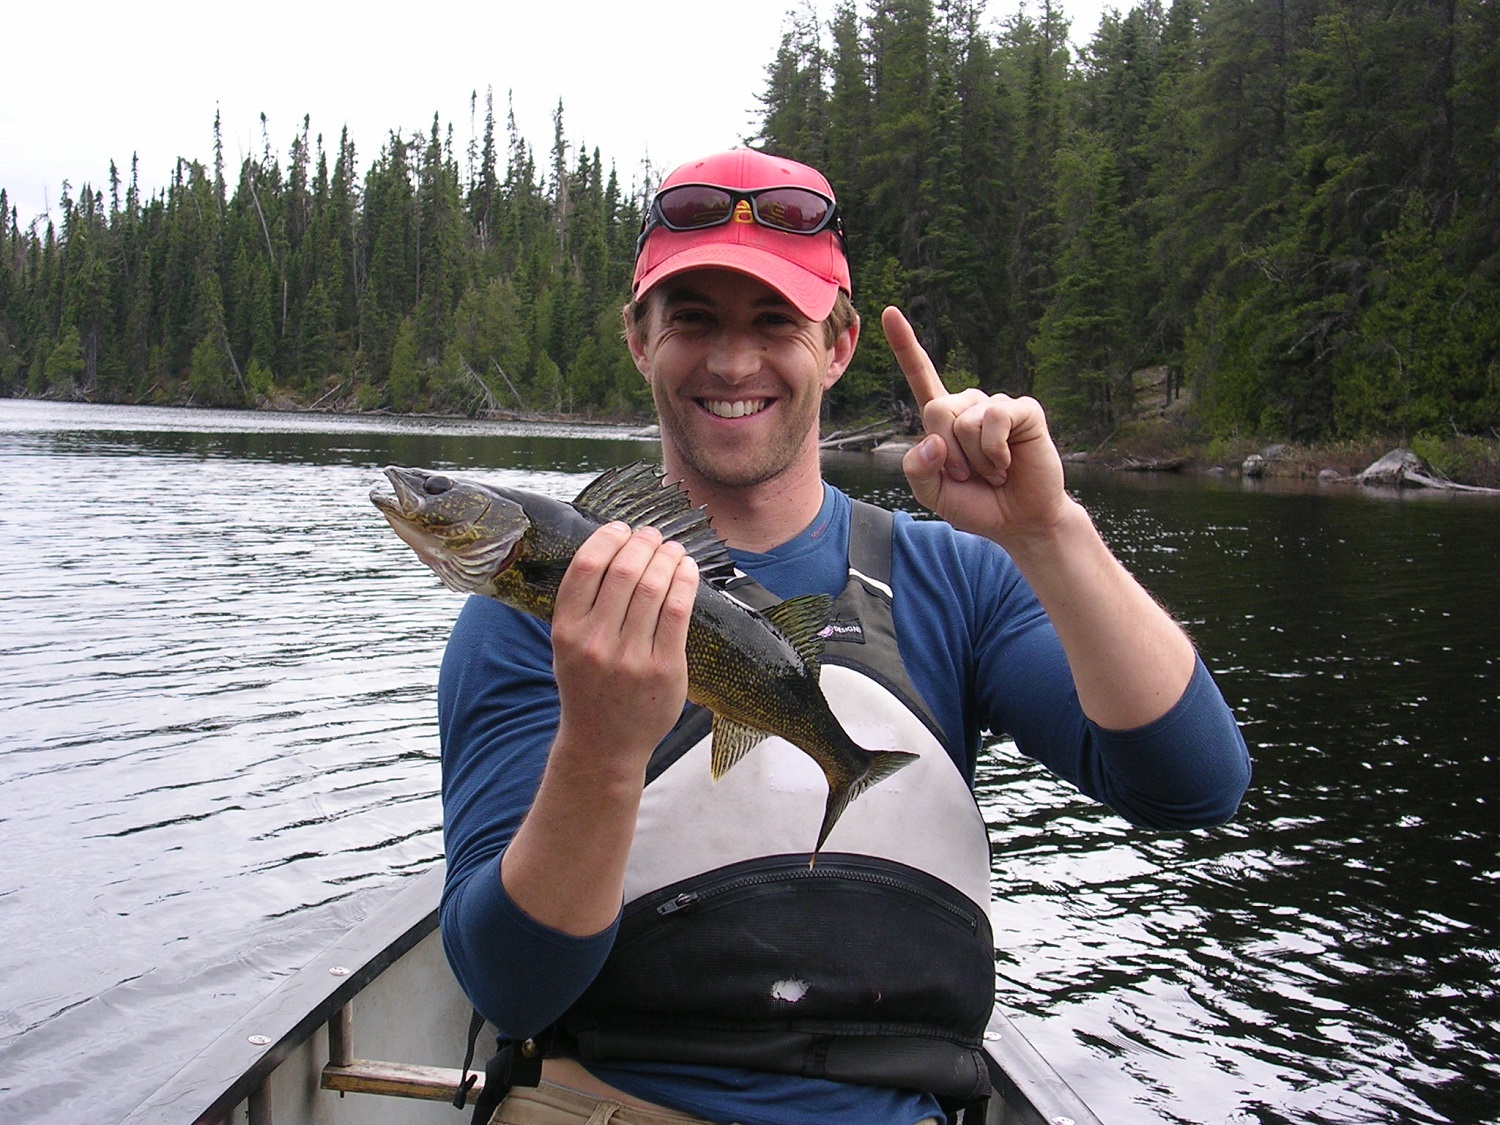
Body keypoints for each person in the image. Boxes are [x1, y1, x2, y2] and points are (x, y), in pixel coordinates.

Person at [437, 148, 1251, 1125]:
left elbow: (1192, 785)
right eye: (693, 319)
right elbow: (510, 989)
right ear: (637, 338)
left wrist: (1050, 533)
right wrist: (604, 750)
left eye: (775, 322)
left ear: (839, 345)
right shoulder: (534, 611)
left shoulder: (960, 581)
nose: (733, 363)